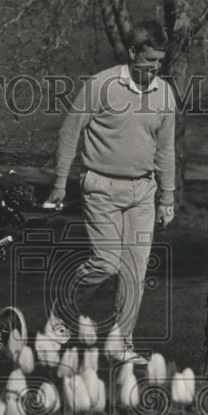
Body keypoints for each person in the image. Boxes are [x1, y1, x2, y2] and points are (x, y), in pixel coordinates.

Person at [43, 20, 177, 364]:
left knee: (135, 270)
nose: (154, 69)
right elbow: (70, 132)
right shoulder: (101, 85)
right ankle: (60, 322)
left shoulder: (164, 94)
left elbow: (165, 150)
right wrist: (60, 182)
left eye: (159, 62)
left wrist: (168, 197)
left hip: (143, 192)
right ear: (132, 52)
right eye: (149, 61)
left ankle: (120, 343)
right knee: (106, 263)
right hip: (100, 186)